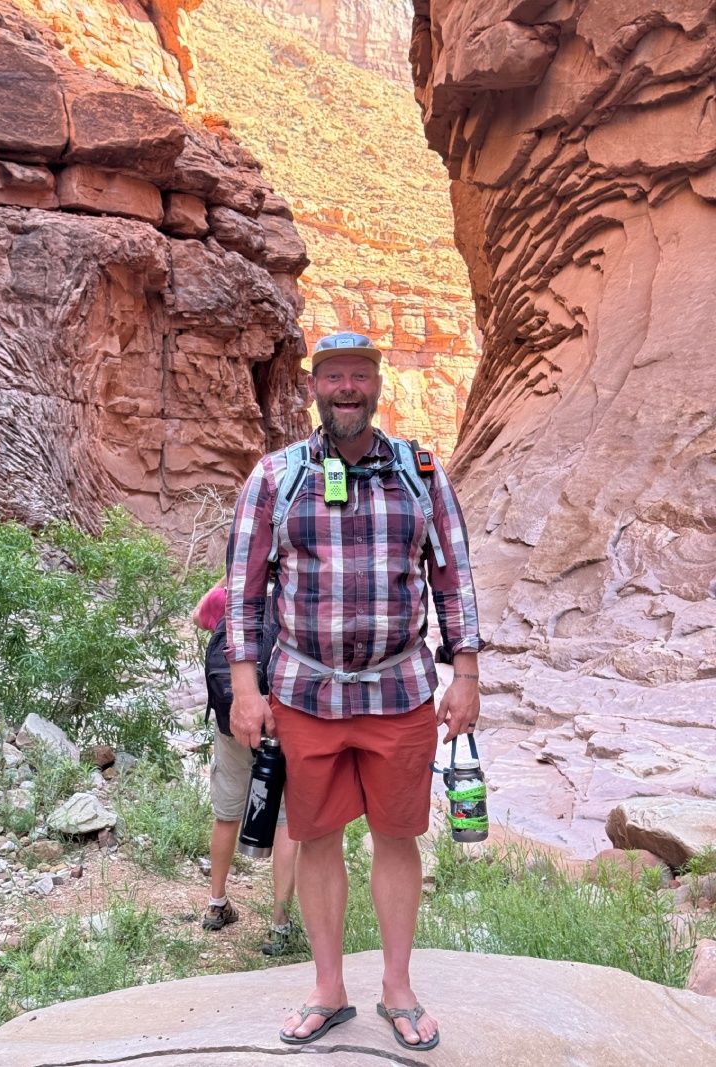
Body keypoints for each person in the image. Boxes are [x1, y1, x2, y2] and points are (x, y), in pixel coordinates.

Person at [225, 331, 484, 1051]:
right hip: (306, 694)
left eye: (359, 376)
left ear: (377, 386)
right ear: (314, 387)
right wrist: (246, 689)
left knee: (397, 837)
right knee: (316, 838)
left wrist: (465, 672)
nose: (347, 388)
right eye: (333, 375)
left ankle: (397, 988)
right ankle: (329, 988)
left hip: (399, 690)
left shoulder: (420, 471)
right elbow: (243, 595)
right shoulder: (275, 477)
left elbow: (454, 577)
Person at [193, 576, 299, 956]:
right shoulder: (296, 597)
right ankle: (279, 925)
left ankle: (216, 904)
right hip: (279, 721)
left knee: (227, 814)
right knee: (287, 821)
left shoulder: (234, 599)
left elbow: (197, 614)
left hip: (233, 719)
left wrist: (230, 578)